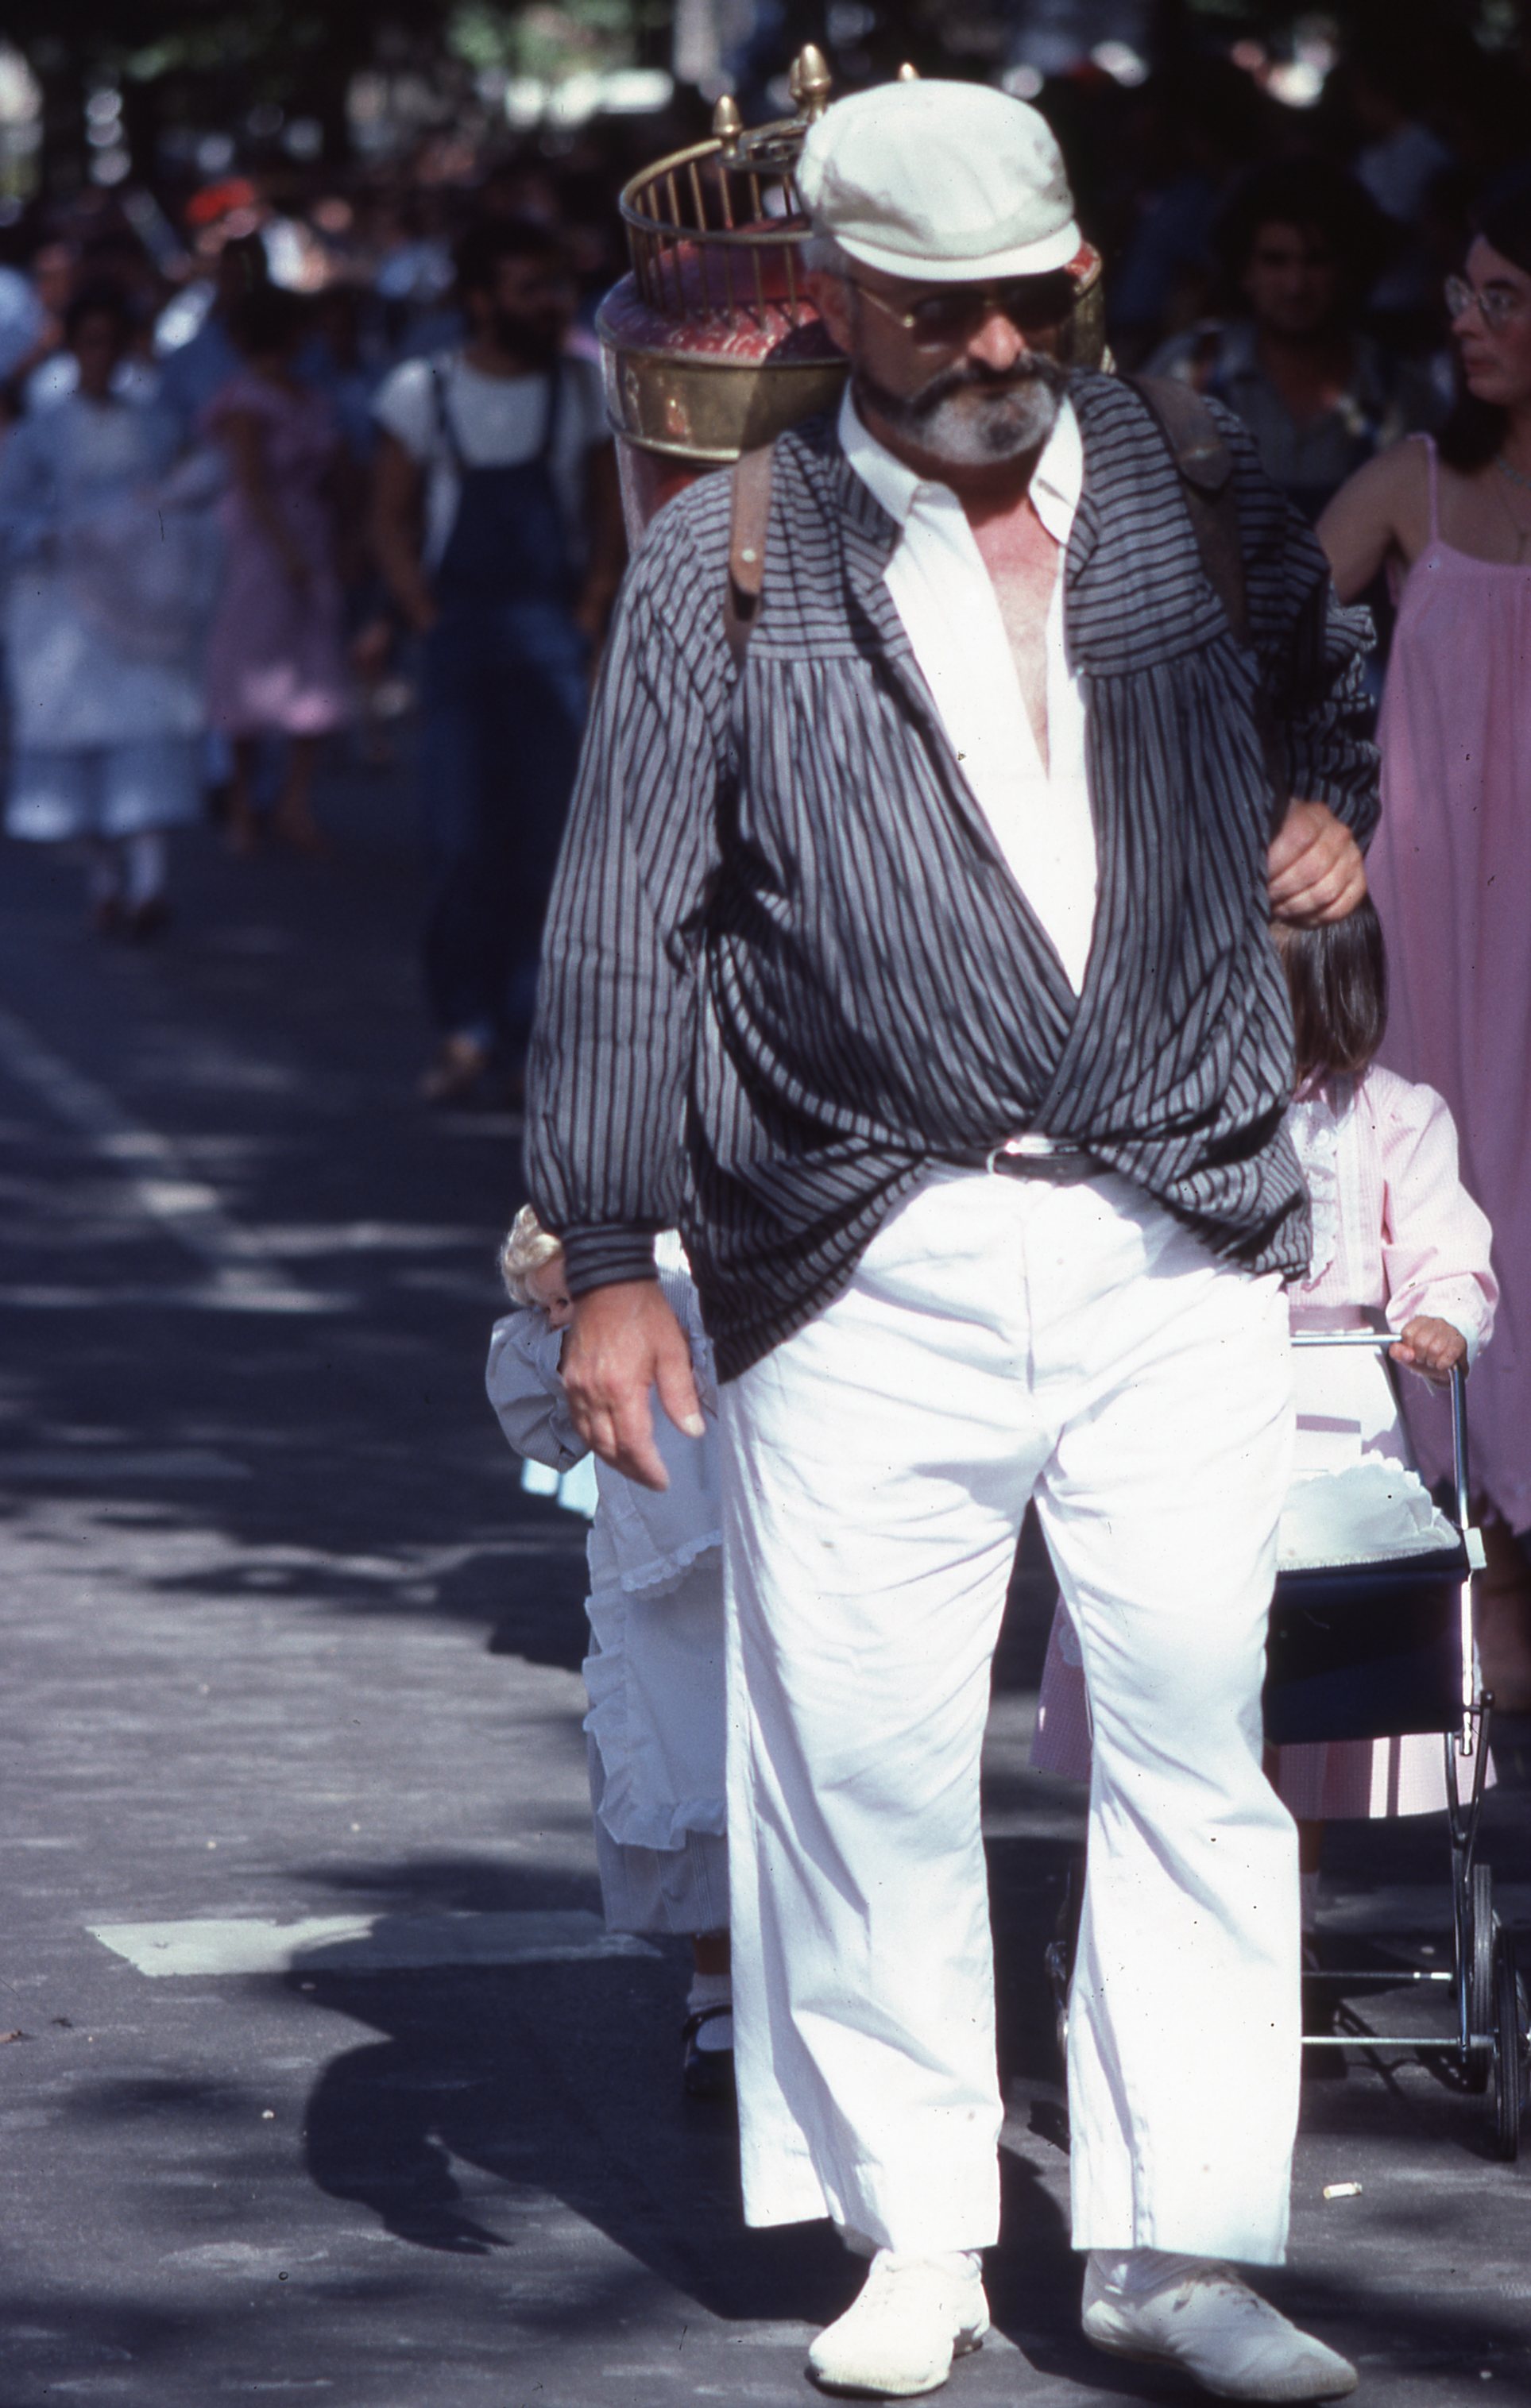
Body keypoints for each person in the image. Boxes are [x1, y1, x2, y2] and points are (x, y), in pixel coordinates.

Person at [526, 80, 1376, 2406]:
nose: (994, 344)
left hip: (1177, 1218)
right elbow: (621, 922)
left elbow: (1330, 683)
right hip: (856, 1237)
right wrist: (606, 1254)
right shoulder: (731, 551)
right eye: (937, 308)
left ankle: (1181, 2245)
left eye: (1030, 295)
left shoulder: (1198, 488)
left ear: (1079, 270)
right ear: (838, 296)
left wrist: (1331, 812)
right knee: (864, 1754)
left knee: (1191, 1739)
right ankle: (917, 2231)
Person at [1033, 901, 1498, 1880]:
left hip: (1331, 1421)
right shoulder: (1179, 1113)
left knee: (1313, 1671)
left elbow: (1445, 1251)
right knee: (1192, 1650)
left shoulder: (1391, 1118)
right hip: (1197, 1393)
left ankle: (1281, 1910)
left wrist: (1442, 1317)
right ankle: (1179, 1884)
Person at [1317, 186, 1531, 1707]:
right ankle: (1489, 1566)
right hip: (1437, 922)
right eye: (1461, 295)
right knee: (1456, 1214)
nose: (1468, 322)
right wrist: (1311, 818)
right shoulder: (1412, 484)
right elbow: (1246, 649)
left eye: (1501, 296)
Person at [369, 218, 624, 1107]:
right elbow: (388, 519)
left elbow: (607, 517)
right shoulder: (421, 390)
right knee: (459, 842)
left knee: (547, 847)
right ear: (480, 300)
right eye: (528, 287)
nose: (551, 304)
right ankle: (463, 1028)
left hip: (550, 634)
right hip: (461, 639)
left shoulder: (583, 388)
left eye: (556, 286)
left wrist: (590, 614)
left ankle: (529, 1037)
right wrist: (420, 612)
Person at [485, 1208, 733, 2100]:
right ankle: (715, 1985)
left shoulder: (691, 1290)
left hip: (746, 1543)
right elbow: (532, 1407)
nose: (560, 1320)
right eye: (547, 1307)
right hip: (652, 1575)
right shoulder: (559, 1343)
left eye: (567, 1300)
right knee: (678, 1760)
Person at [0, 281, 216, 936]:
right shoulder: (40, 433)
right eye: (89, 342)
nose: (101, 355)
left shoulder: (156, 425)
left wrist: (151, 531)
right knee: (80, 749)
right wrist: (57, 535)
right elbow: (11, 517)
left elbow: (186, 505)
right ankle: (104, 880)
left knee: (143, 736)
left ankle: (149, 881)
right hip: (63, 613)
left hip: (141, 610)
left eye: (111, 343)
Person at [1147, 160, 1440, 524]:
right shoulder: (1190, 371)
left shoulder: (1401, 393)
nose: (1295, 285)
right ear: (1244, 271)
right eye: (1275, 261)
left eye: (1316, 261)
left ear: (1348, 270)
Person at [201, 284, 354, 856]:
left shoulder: (309, 397)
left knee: (312, 669)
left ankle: (293, 802)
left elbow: (337, 473)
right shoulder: (247, 399)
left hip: (309, 534)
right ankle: (244, 802)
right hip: (260, 547)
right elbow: (251, 484)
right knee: (249, 667)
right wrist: (285, 549)